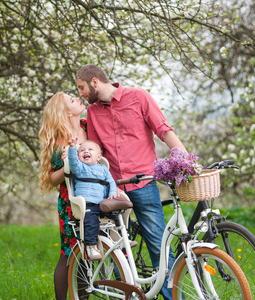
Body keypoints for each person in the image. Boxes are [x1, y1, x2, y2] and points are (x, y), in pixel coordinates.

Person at [76, 64, 187, 300]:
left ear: (95, 82)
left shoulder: (139, 97)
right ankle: (130, 295)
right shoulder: (93, 112)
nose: (81, 94)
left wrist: (185, 160)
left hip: (143, 182)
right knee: (118, 249)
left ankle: (171, 297)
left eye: (82, 88)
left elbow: (163, 130)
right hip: (114, 189)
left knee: (158, 245)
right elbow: (98, 153)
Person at [38, 91, 87, 300]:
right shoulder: (59, 140)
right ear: (67, 112)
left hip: (93, 196)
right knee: (69, 253)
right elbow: (52, 178)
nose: (78, 99)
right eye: (72, 100)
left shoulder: (86, 126)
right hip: (71, 201)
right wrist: (68, 164)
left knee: (87, 253)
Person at [67, 138, 118, 261]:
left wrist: (112, 194)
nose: (86, 152)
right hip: (87, 204)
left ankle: (122, 238)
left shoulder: (103, 169)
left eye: (90, 150)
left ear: (98, 157)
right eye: (82, 151)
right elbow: (73, 161)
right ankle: (91, 246)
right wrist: (73, 148)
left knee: (117, 216)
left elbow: (111, 182)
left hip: (102, 203)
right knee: (90, 222)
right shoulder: (80, 168)